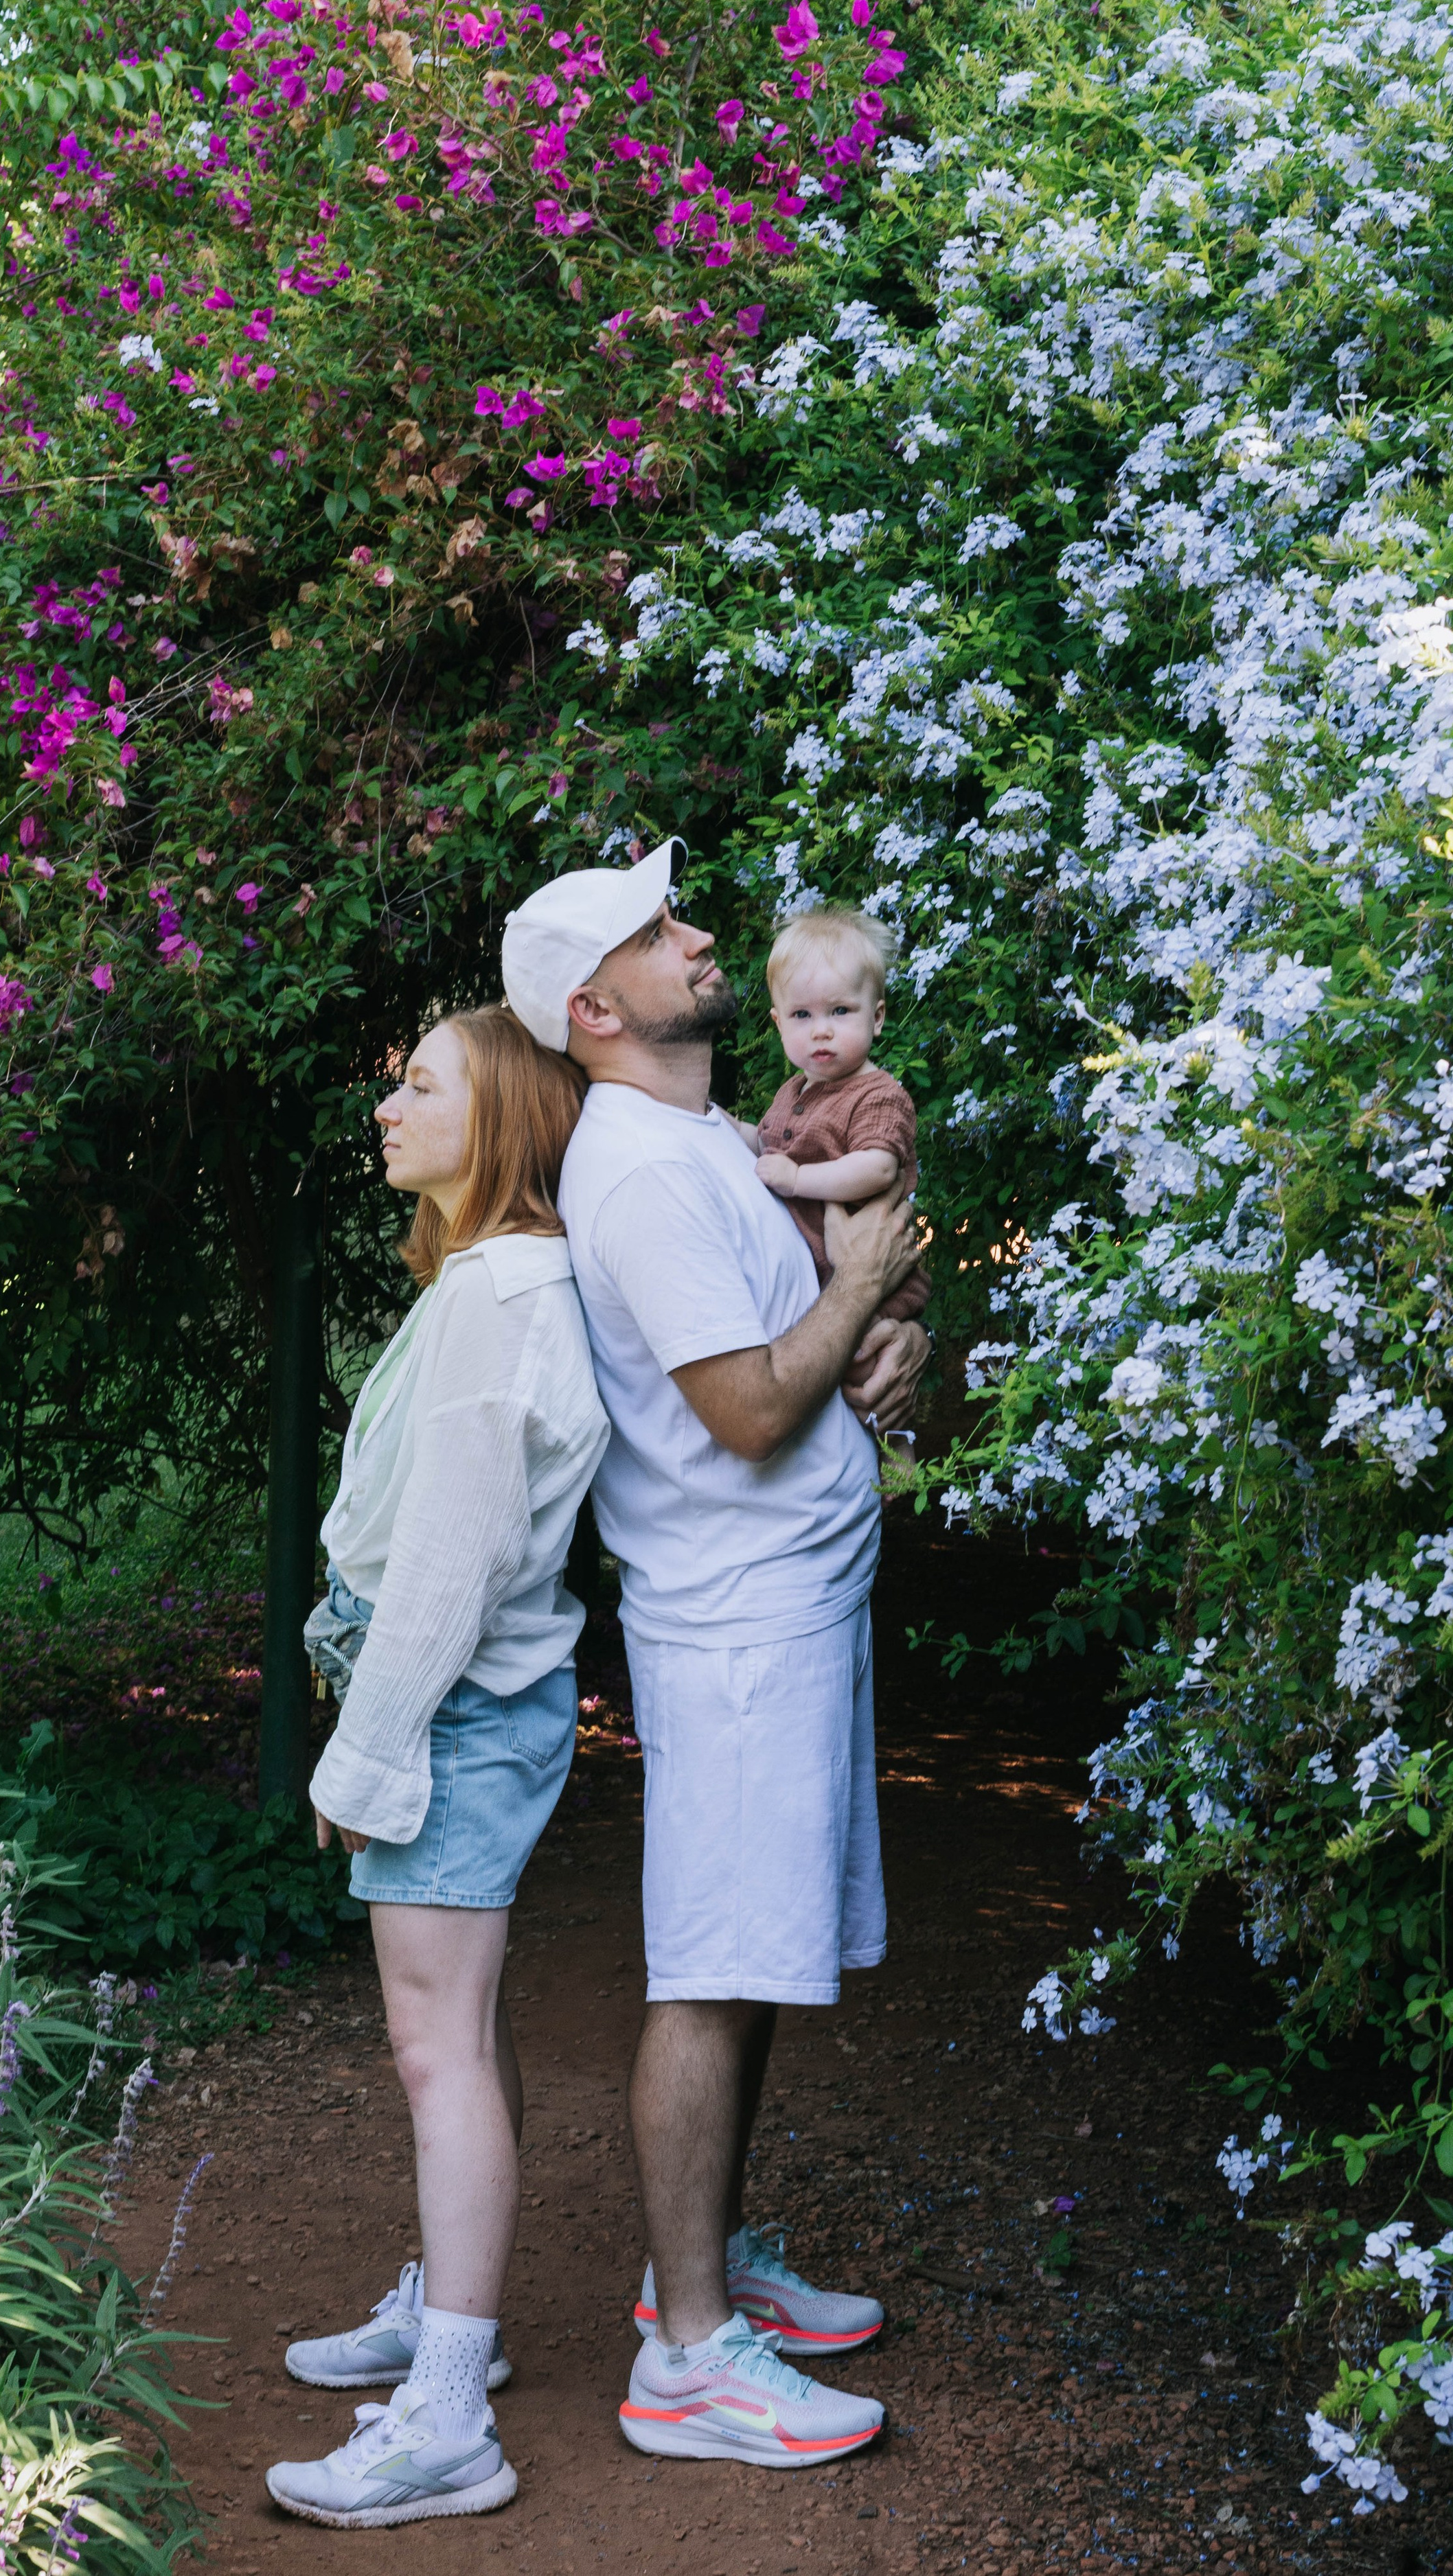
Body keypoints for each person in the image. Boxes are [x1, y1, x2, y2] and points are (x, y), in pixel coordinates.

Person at [501, 842, 928, 2473]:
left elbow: (792, 1336)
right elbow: (745, 1406)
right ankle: (686, 2355)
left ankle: (709, 2265)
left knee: (750, 1961)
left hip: (788, 1597)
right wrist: (863, 1281)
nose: (695, 937)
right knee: (707, 1968)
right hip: (736, 1617)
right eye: (657, 928)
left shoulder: (707, 1137)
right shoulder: (636, 1172)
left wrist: (885, 1333)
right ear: (595, 1007)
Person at [264, 1002, 609, 2532]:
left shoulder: (499, 1298)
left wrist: (365, 1751)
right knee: (462, 2030)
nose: (388, 1107)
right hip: (470, 1701)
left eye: (421, 1085)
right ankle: (449, 2312)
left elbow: (448, 1570)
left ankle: (451, 2416)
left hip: (454, 1704)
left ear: (506, 1121)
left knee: (436, 2050)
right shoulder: (490, 1278)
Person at [729, 905, 931, 1466]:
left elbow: (877, 1167)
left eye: (841, 1011)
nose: (821, 1029)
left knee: (870, 1360)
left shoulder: (878, 1094)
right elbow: (767, 1144)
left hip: (876, 1280)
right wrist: (721, 1124)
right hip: (827, 1274)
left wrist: (798, 1179)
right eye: (802, 1014)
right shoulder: (792, 1092)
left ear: (877, 1017)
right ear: (778, 1023)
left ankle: (901, 1453)